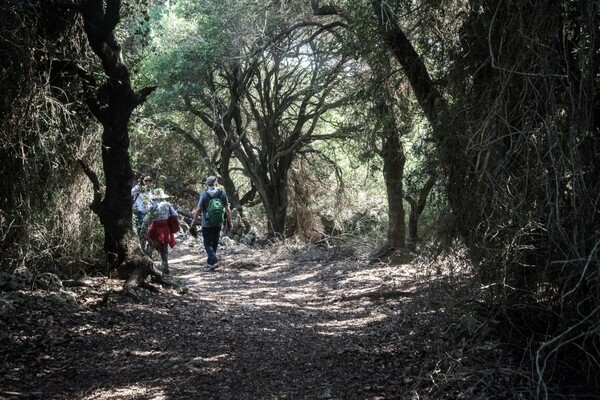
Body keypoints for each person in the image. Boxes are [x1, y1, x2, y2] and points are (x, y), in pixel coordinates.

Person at [191, 176, 232, 271]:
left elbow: (199, 209)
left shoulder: (204, 194)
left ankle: (214, 260)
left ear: (207, 184)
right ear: (216, 182)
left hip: (207, 223)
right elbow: (227, 209)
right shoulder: (222, 193)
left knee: (207, 243)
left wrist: (194, 221)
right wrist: (230, 222)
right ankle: (211, 263)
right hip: (218, 222)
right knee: (215, 242)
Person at [144, 188, 178, 274]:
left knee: (151, 246)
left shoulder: (152, 205)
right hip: (165, 228)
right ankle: (165, 267)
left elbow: (147, 217)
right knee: (164, 248)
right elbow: (175, 214)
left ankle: (149, 266)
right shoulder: (167, 204)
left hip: (155, 228)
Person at [131, 174, 153, 242]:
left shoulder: (149, 188)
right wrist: (137, 192)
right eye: (146, 180)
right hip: (139, 210)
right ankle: (140, 241)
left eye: (149, 180)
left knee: (147, 228)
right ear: (142, 180)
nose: (148, 182)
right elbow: (130, 193)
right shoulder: (138, 187)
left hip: (148, 211)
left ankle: (145, 242)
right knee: (140, 227)